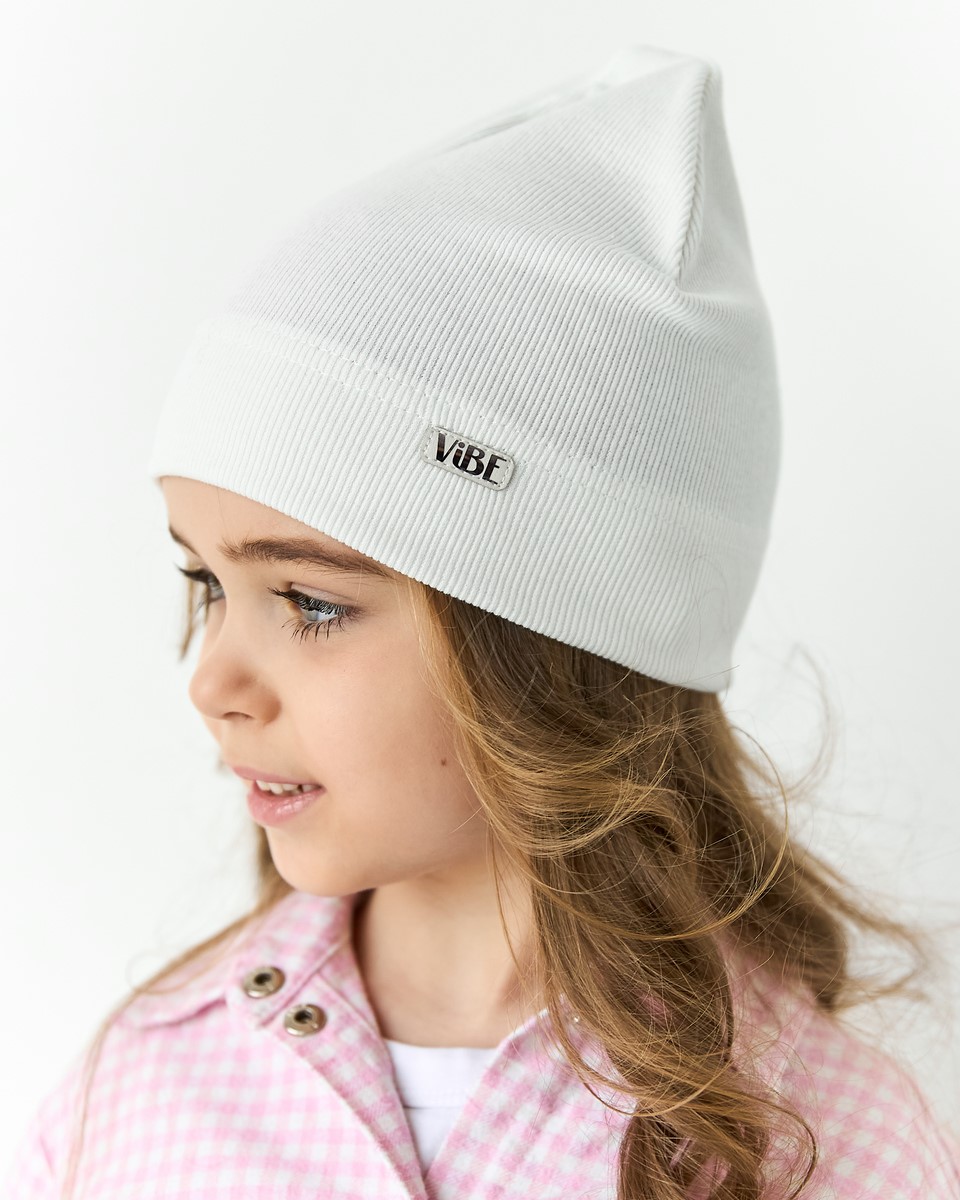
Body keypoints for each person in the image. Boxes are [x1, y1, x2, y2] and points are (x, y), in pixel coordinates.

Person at [4, 42, 959, 1200]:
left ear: (552, 647)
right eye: (207, 584)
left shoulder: (822, 1145)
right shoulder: (134, 1097)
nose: (213, 682)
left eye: (310, 602)